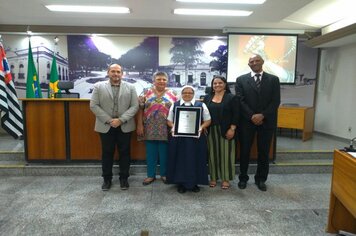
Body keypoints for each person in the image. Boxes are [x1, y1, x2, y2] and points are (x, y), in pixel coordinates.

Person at [90, 64, 139, 191]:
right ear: (108, 72)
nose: (115, 74)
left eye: (118, 72)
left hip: (125, 125)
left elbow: (135, 106)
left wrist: (121, 120)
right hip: (106, 125)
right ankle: (107, 179)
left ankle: (124, 179)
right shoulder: (98, 86)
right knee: (107, 153)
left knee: (125, 153)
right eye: (113, 71)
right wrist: (110, 120)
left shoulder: (131, 87)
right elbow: (93, 105)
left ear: (122, 74)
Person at [235, 54, 280, 191]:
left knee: (264, 152)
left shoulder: (273, 79)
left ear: (262, 62)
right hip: (247, 122)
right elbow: (240, 100)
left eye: (257, 60)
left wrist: (262, 115)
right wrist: (252, 116)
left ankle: (261, 179)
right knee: (245, 151)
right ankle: (243, 178)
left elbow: (275, 101)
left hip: (267, 121)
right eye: (251, 61)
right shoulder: (241, 80)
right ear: (249, 64)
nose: (254, 63)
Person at [166, 85, 211, 193]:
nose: (187, 94)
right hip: (179, 138)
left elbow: (208, 120)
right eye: (184, 92)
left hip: (196, 138)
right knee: (180, 160)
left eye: (189, 93)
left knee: (196, 159)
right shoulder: (175, 105)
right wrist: (174, 127)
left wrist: (201, 127)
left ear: (193, 94)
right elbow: (169, 120)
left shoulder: (201, 105)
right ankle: (180, 183)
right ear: (181, 94)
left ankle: (194, 183)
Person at [136, 71, 177, 185]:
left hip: (166, 127)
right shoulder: (145, 92)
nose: (161, 81)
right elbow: (140, 109)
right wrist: (139, 125)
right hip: (149, 127)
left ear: (167, 81)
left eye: (164, 79)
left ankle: (164, 174)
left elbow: (177, 112)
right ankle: (150, 175)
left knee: (165, 152)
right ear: (153, 80)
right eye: (159, 79)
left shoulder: (173, 93)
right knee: (151, 152)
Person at [203, 75, 239, 190]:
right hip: (210, 130)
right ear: (212, 86)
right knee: (212, 155)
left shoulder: (231, 98)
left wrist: (232, 129)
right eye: (215, 83)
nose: (217, 85)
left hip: (226, 130)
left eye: (220, 83)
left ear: (225, 85)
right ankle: (213, 177)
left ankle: (225, 179)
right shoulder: (207, 98)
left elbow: (237, 114)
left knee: (226, 155)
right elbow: (203, 113)